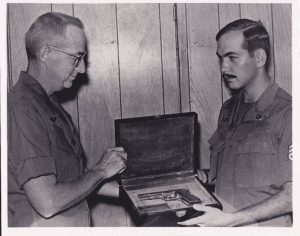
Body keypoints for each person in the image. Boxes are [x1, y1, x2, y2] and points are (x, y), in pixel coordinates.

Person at [8, 12, 127, 227]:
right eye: (76, 58)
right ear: (45, 53)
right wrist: (101, 170)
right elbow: (48, 202)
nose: (81, 69)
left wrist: (144, 192)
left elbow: (74, 183)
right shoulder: (22, 109)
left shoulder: (48, 103)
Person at [178, 19, 292, 227]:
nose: (223, 67)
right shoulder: (229, 109)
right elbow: (229, 174)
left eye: (232, 57)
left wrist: (229, 221)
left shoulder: (288, 114)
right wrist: (202, 178)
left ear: (259, 57)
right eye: (221, 59)